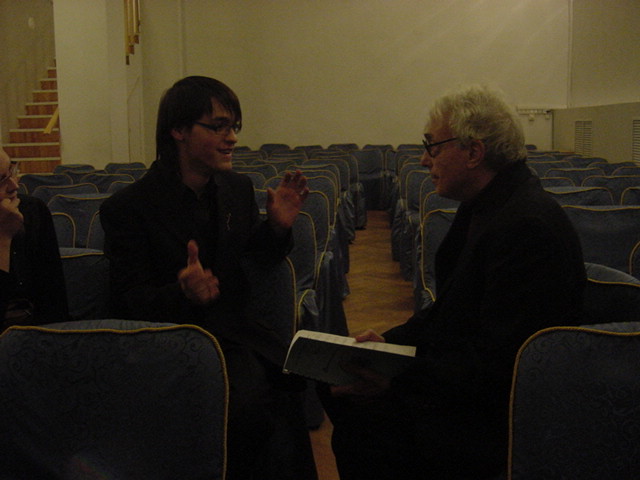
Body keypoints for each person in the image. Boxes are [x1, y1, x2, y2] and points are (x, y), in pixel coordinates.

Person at [320, 85, 586, 479]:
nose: (424, 159)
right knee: (336, 383)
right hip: (466, 382)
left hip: (496, 416)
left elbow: (497, 366)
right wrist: (387, 346)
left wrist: (395, 378)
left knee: (361, 420)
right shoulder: (489, 203)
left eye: (432, 145)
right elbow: (448, 314)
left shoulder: (526, 226)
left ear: (474, 152)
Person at [100, 76, 316, 480]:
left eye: (233, 127)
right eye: (218, 126)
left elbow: (255, 258)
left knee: (293, 385)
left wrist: (277, 228)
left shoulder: (236, 188)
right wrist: (183, 292)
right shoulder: (129, 207)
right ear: (179, 130)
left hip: (234, 332)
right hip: (169, 340)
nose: (231, 138)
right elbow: (127, 299)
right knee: (248, 407)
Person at [0, 148, 69, 330]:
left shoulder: (33, 210)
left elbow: (54, 300)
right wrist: (4, 240)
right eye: (1, 180)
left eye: (11, 171)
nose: (14, 185)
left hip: (36, 334)